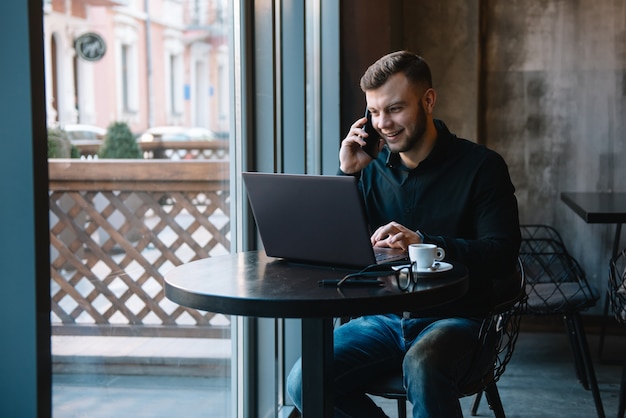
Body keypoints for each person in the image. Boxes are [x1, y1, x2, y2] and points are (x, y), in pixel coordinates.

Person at [286, 50, 521, 417]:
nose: (383, 123)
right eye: (374, 112)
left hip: (458, 318)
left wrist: (428, 244)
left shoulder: (482, 167)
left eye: (395, 109)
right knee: (304, 380)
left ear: (428, 100)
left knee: (423, 364)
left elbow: (502, 253)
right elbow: (327, 241)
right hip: (382, 318)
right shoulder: (370, 168)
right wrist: (347, 172)